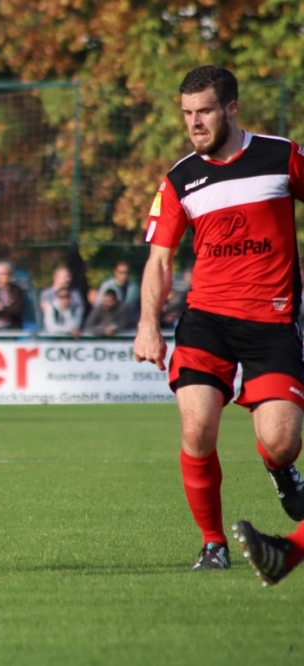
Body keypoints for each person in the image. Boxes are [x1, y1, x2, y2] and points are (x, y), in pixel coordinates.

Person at [133, 65, 304, 585]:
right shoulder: (180, 179)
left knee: (281, 440)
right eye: (187, 113)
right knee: (196, 428)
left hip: (271, 323)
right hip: (206, 321)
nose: (195, 123)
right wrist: (147, 324)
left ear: (231, 108)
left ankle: (281, 469)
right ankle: (213, 544)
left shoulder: (281, 156)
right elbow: (160, 260)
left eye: (204, 111)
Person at [98, 261, 140, 327]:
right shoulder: (107, 286)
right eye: (121, 272)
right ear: (115, 272)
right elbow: (99, 304)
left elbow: (137, 307)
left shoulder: (134, 288)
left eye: (126, 273)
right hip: (110, 325)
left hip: (130, 324)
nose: (124, 275)